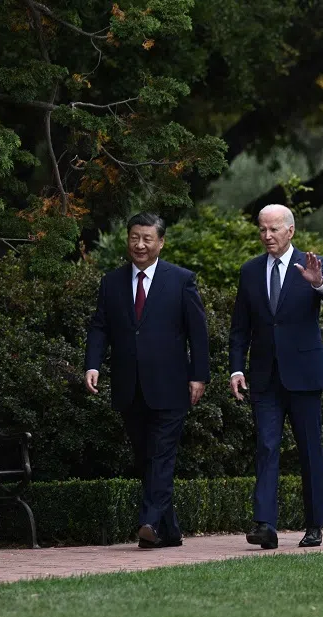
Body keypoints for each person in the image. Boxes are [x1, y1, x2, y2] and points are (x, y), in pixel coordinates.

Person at [85, 211, 210, 549]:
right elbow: (100, 326)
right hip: (129, 386)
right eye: (134, 238)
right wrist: (93, 364)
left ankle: (149, 522)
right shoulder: (112, 282)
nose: (139, 244)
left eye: (147, 238)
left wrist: (199, 375)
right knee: (145, 457)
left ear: (161, 242)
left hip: (171, 384)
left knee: (162, 454)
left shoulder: (181, 279)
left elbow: (198, 333)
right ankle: (168, 531)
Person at [228, 204, 323, 549]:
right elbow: (240, 328)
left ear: (290, 231)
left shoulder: (311, 265)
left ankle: (314, 525)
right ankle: (265, 525)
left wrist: (320, 283)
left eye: (274, 229)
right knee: (266, 447)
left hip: (305, 376)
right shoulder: (250, 271)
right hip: (264, 378)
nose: (267, 236)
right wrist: (237, 367)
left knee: (310, 450)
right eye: (262, 229)